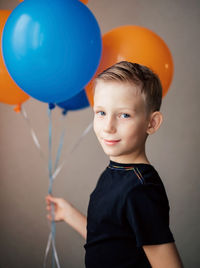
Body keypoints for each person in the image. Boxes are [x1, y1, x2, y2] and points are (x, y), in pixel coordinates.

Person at [46, 61, 183, 268]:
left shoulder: (141, 189)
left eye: (124, 115)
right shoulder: (113, 173)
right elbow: (109, 240)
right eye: (101, 112)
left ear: (152, 123)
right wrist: (69, 214)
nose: (108, 127)